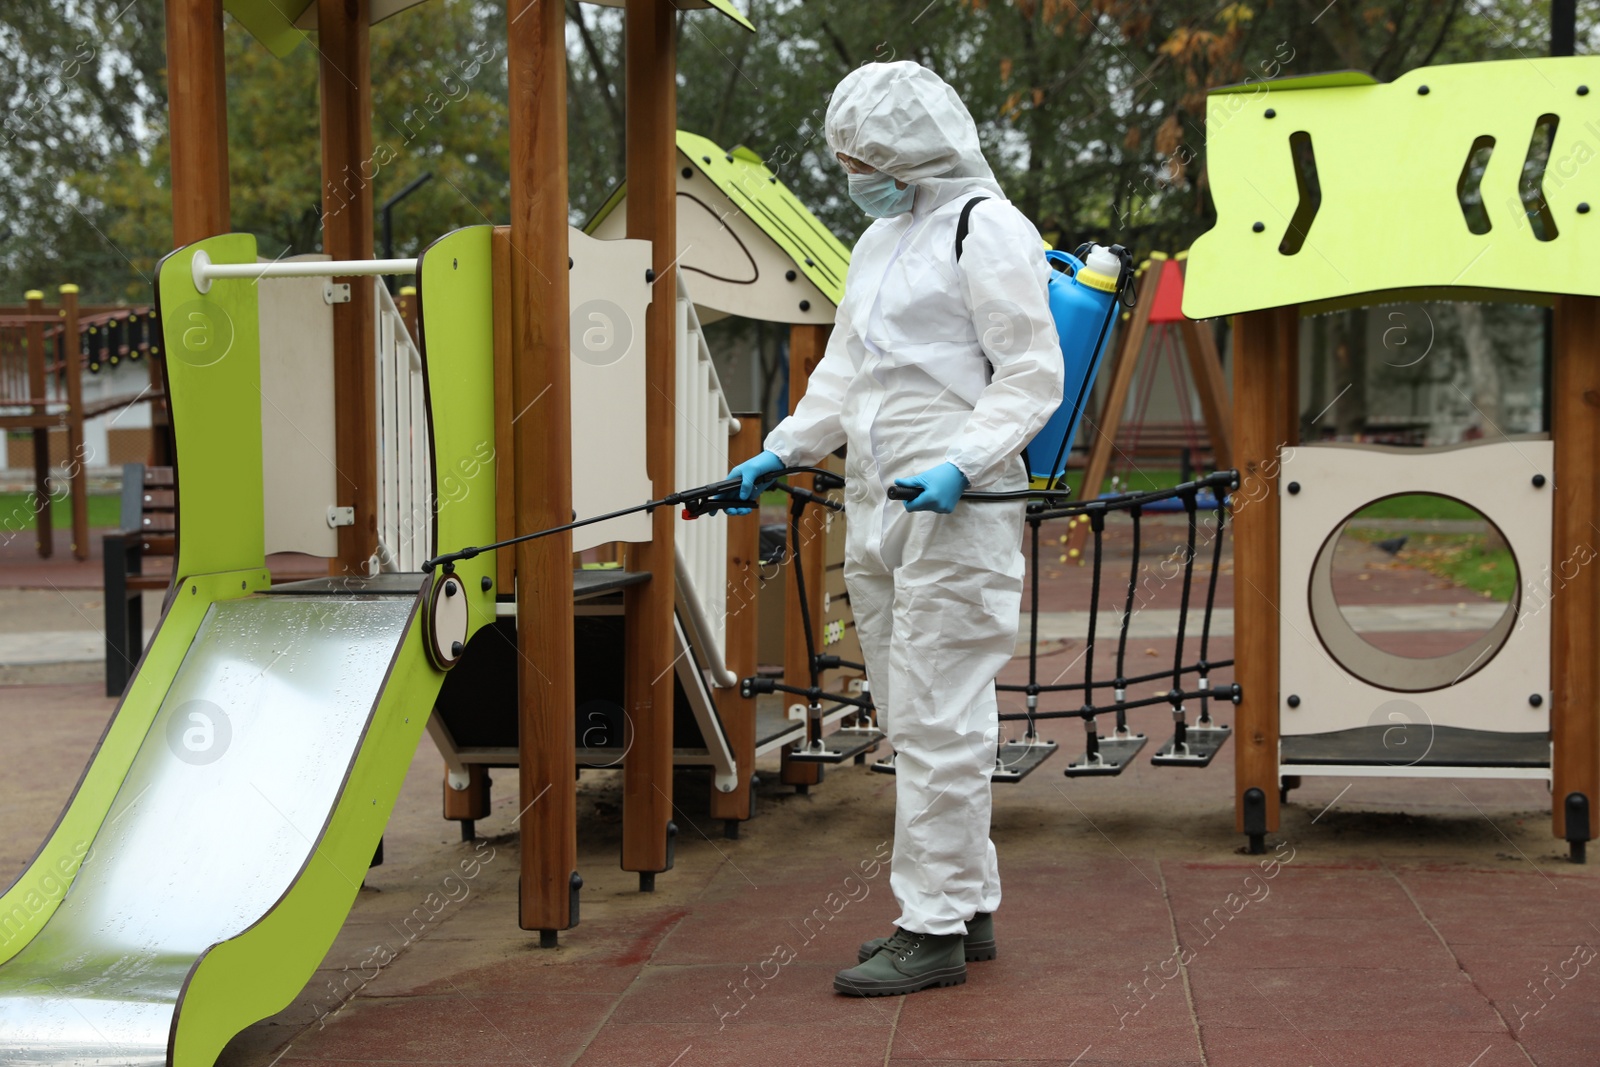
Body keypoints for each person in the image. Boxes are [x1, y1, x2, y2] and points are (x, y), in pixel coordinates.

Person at [724, 61, 1064, 997]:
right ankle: (966, 902)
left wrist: (964, 461)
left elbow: (1032, 372)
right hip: (877, 507)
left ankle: (932, 928)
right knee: (917, 717)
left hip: (958, 510)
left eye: (860, 157)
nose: (851, 175)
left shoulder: (986, 229)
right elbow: (845, 375)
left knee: (941, 718)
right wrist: (784, 450)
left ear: (908, 151)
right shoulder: (877, 241)